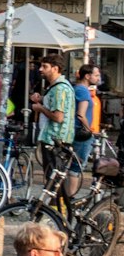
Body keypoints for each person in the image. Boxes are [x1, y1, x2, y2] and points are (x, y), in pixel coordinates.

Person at [30, 53, 77, 186]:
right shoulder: (58, 87)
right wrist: (42, 100)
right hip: (57, 139)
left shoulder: (59, 89)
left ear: (55, 68)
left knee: (53, 180)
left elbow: (58, 117)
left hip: (55, 140)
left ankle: (54, 206)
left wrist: (40, 108)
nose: (40, 69)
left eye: (44, 66)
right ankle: (54, 204)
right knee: (54, 179)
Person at [73, 63, 103, 166]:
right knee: (77, 167)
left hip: (79, 131)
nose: (98, 78)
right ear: (87, 76)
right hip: (82, 134)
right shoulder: (83, 90)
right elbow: (81, 114)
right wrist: (89, 130)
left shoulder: (79, 88)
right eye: (96, 75)